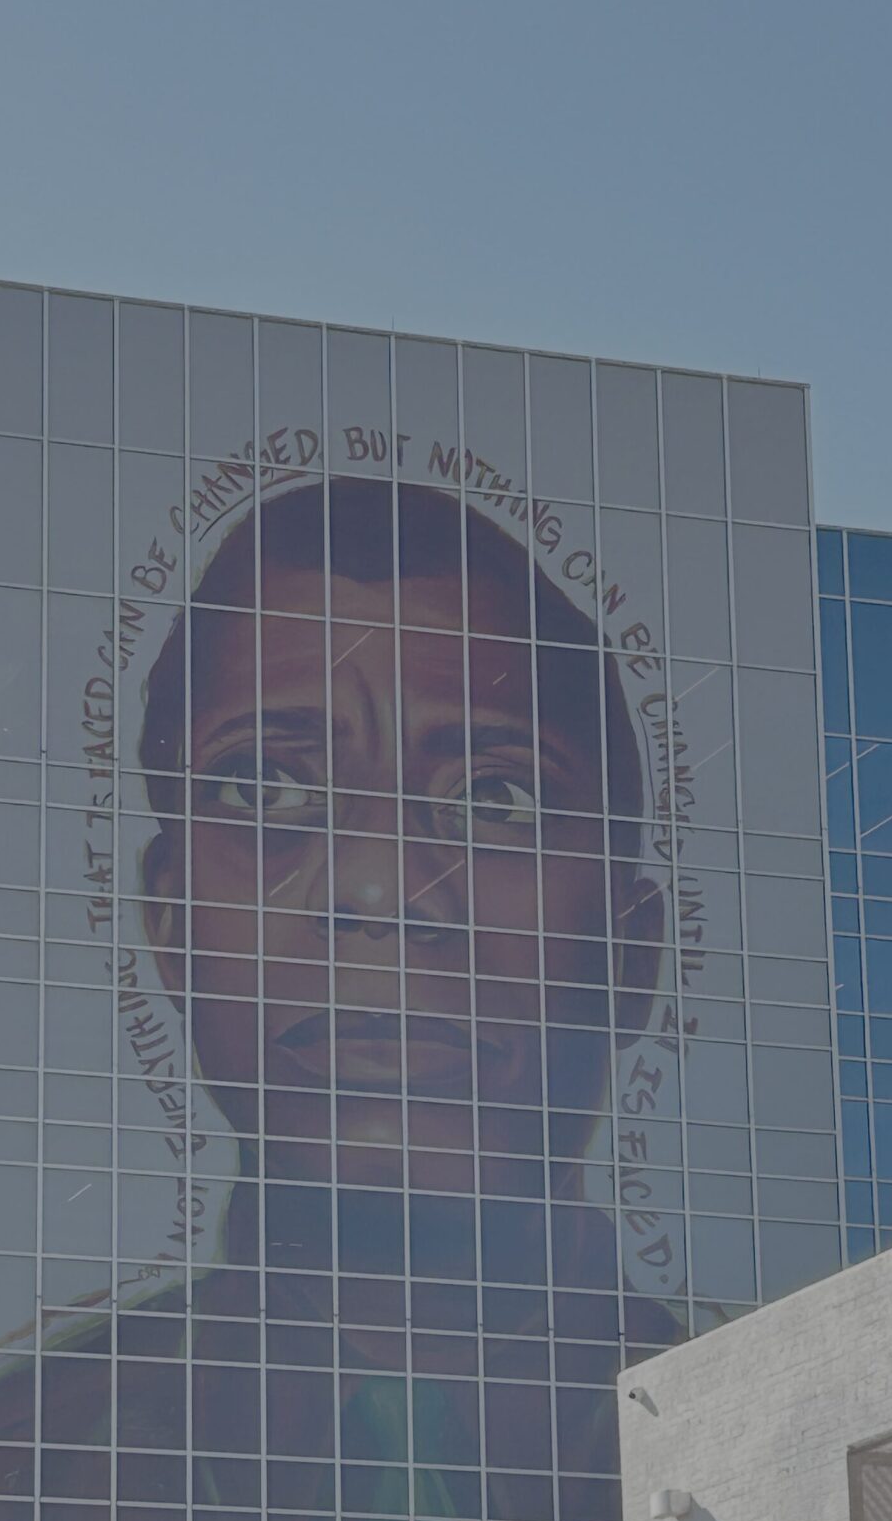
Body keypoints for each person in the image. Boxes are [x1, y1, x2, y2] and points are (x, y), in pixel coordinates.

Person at [136, 475, 667, 1279]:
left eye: (496, 798)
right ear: (169, 923)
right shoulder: (37, 1411)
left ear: (631, 957)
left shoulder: (765, 1404)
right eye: (264, 786)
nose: (378, 891)